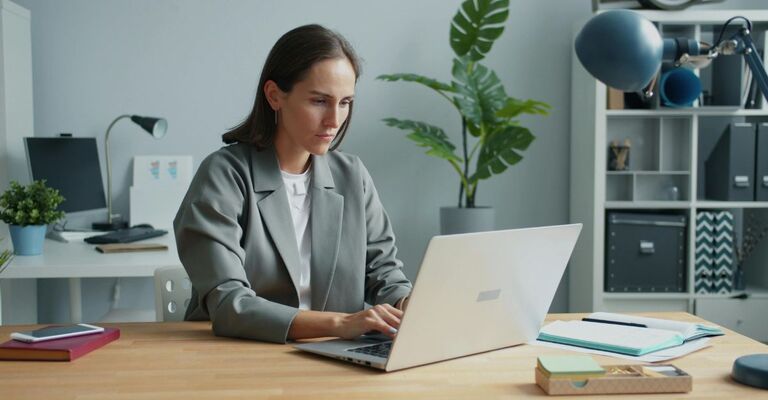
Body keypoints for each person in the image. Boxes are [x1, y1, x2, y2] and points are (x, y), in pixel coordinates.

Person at [174, 24, 412, 344]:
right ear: (275, 96)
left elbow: (385, 276)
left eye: (345, 102)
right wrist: (340, 323)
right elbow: (230, 304)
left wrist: (409, 306)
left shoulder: (352, 175)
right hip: (237, 357)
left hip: (332, 359)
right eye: (319, 101)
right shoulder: (223, 175)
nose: (334, 120)